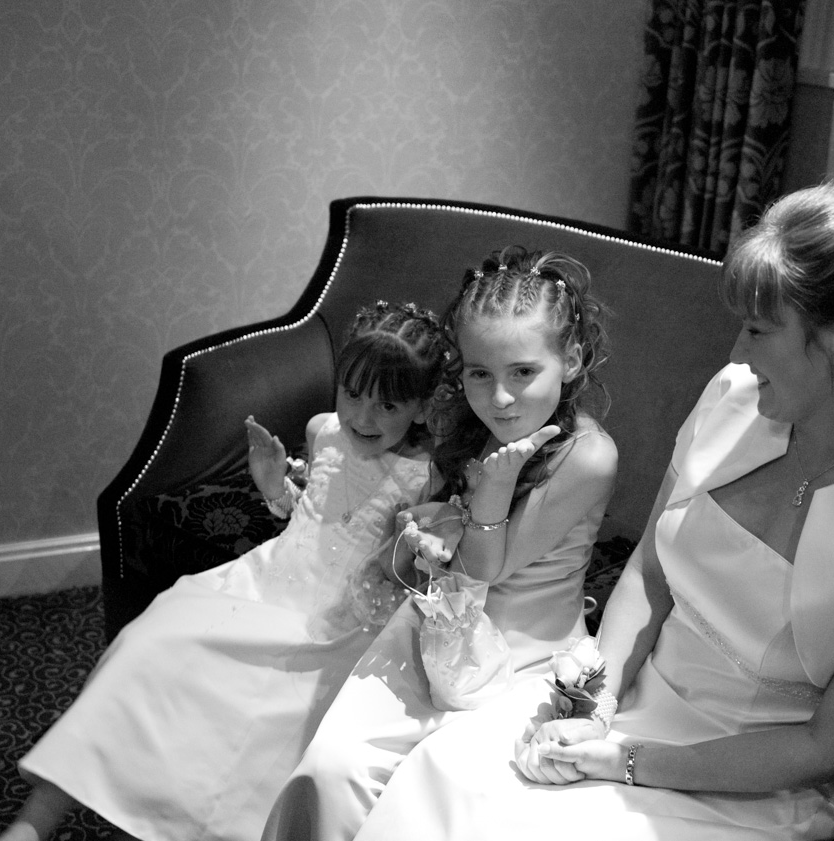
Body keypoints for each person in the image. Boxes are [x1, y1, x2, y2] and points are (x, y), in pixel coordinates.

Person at [347, 167, 834, 841]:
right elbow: (650, 572)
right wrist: (595, 704)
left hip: (757, 780)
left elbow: (827, 746)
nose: (737, 351)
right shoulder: (734, 398)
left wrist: (628, 761)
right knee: (443, 776)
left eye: (758, 329)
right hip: (632, 700)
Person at [0, 301, 447, 841]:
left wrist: (406, 550)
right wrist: (275, 484)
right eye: (352, 394)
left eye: (387, 405)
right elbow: (309, 512)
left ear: (421, 409)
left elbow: (404, 567)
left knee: (261, 713)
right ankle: (35, 820)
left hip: (337, 620)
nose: (362, 418)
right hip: (264, 581)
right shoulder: (323, 431)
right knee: (148, 644)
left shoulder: (424, 477)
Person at [264, 245, 621, 841]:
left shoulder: (589, 455)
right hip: (433, 628)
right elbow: (428, 544)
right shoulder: (469, 427)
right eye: (480, 373)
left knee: (429, 807)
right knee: (330, 770)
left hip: (523, 659)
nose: (500, 398)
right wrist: (417, 535)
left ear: (572, 359)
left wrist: (493, 489)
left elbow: (484, 566)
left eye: (523, 372)